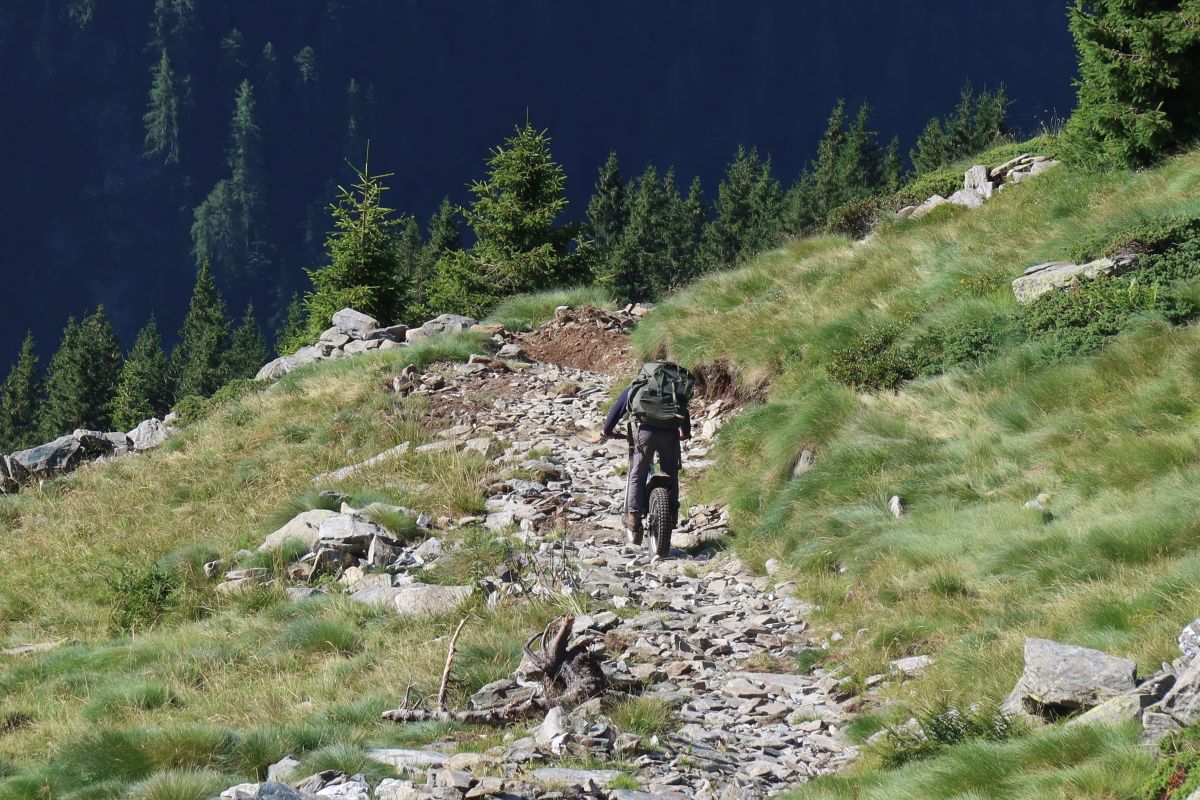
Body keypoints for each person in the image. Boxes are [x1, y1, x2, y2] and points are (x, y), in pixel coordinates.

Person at [602, 366, 692, 539]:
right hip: (670, 434)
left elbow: (617, 409)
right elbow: (683, 410)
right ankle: (671, 515)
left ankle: (634, 516)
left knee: (638, 472)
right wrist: (685, 432)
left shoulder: (639, 385)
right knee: (671, 473)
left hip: (646, 434)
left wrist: (607, 430)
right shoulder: (673, 387)